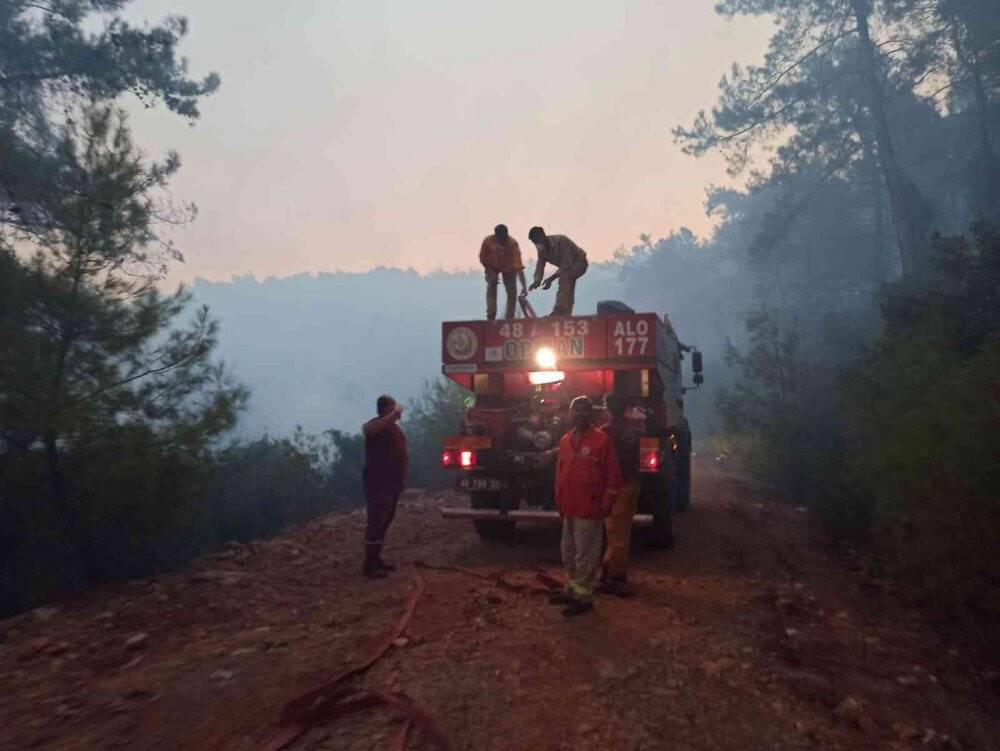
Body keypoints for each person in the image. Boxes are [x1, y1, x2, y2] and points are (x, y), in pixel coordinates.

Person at [549, 395, 622, 616]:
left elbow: (613, 476)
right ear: (570, 414)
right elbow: (561, 474)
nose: (580, 414)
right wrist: (558, 501)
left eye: (584, 410)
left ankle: (584, 597)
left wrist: (606, 504)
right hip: (568, 507)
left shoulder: (602, 441)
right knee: (568, 551)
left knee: (585, 555)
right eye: (576, 410)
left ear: (592, 414)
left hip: (589, 509)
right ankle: (571, 589)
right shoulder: (565, 440)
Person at [598, 393, 641, 597]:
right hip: (633, 482)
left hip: (618, 486)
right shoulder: (635, 427)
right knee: (624, 530)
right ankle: (619, 571)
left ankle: (612, 576)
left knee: (614, 531)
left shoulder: (607, 431)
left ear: (607, 408)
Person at [361, 395, 408, 578]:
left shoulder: (392, 428)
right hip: (378, 483)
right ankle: (369, 565)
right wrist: (392, 416)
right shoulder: (376, 425)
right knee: (377, 521)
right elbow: (367, 430)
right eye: (393, 407)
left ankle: (376, 558)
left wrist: (400, 479)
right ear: (386, 408)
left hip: (392, 483)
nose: (398, 412)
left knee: (385, 521)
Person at [527, 226, 589, 316]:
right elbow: (540, 265)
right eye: (534, 243)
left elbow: (566, 264)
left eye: (537, 240)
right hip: (567, 267)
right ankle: (565, 314)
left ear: (543, 236)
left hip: (580, 262)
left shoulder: (561, 241)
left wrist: (550, 279)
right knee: (568, 288)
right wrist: (537, 280)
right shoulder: (541, 249)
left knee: (565, 277)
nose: (537, 244)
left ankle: (559, 312)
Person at [480, 224, 527, 320]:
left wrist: (524, 286)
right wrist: (489, 271)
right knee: (491, 285)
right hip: (492, 266)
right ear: (495, 237)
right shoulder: (488, 242)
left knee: (512, 292)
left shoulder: (513, 244)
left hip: (508, 268)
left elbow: (519, 267)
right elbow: (483, 258)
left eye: (504, 239)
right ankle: (491, 314)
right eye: (500, 239)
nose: (502, 242)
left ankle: (509, 318)